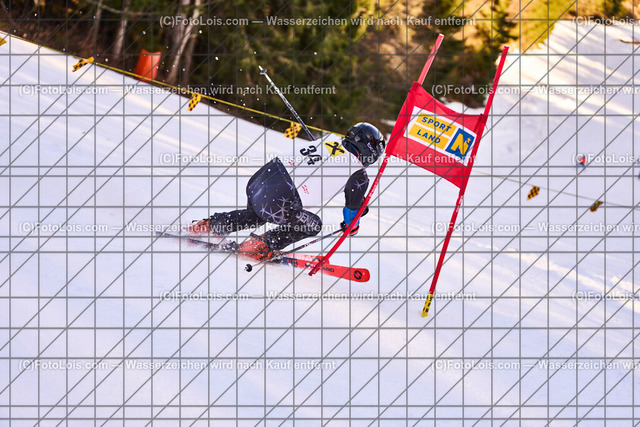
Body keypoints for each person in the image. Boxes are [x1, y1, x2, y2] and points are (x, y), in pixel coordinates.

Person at [188, 122, 386, 260]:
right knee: (313, 225)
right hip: (279, 198)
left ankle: (210, 225)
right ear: (369, 151)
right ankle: (261, 246)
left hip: (261, 179)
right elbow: (352, 212)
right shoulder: (358, 173)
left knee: (257, 215)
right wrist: (353, 224)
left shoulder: (329, 140)